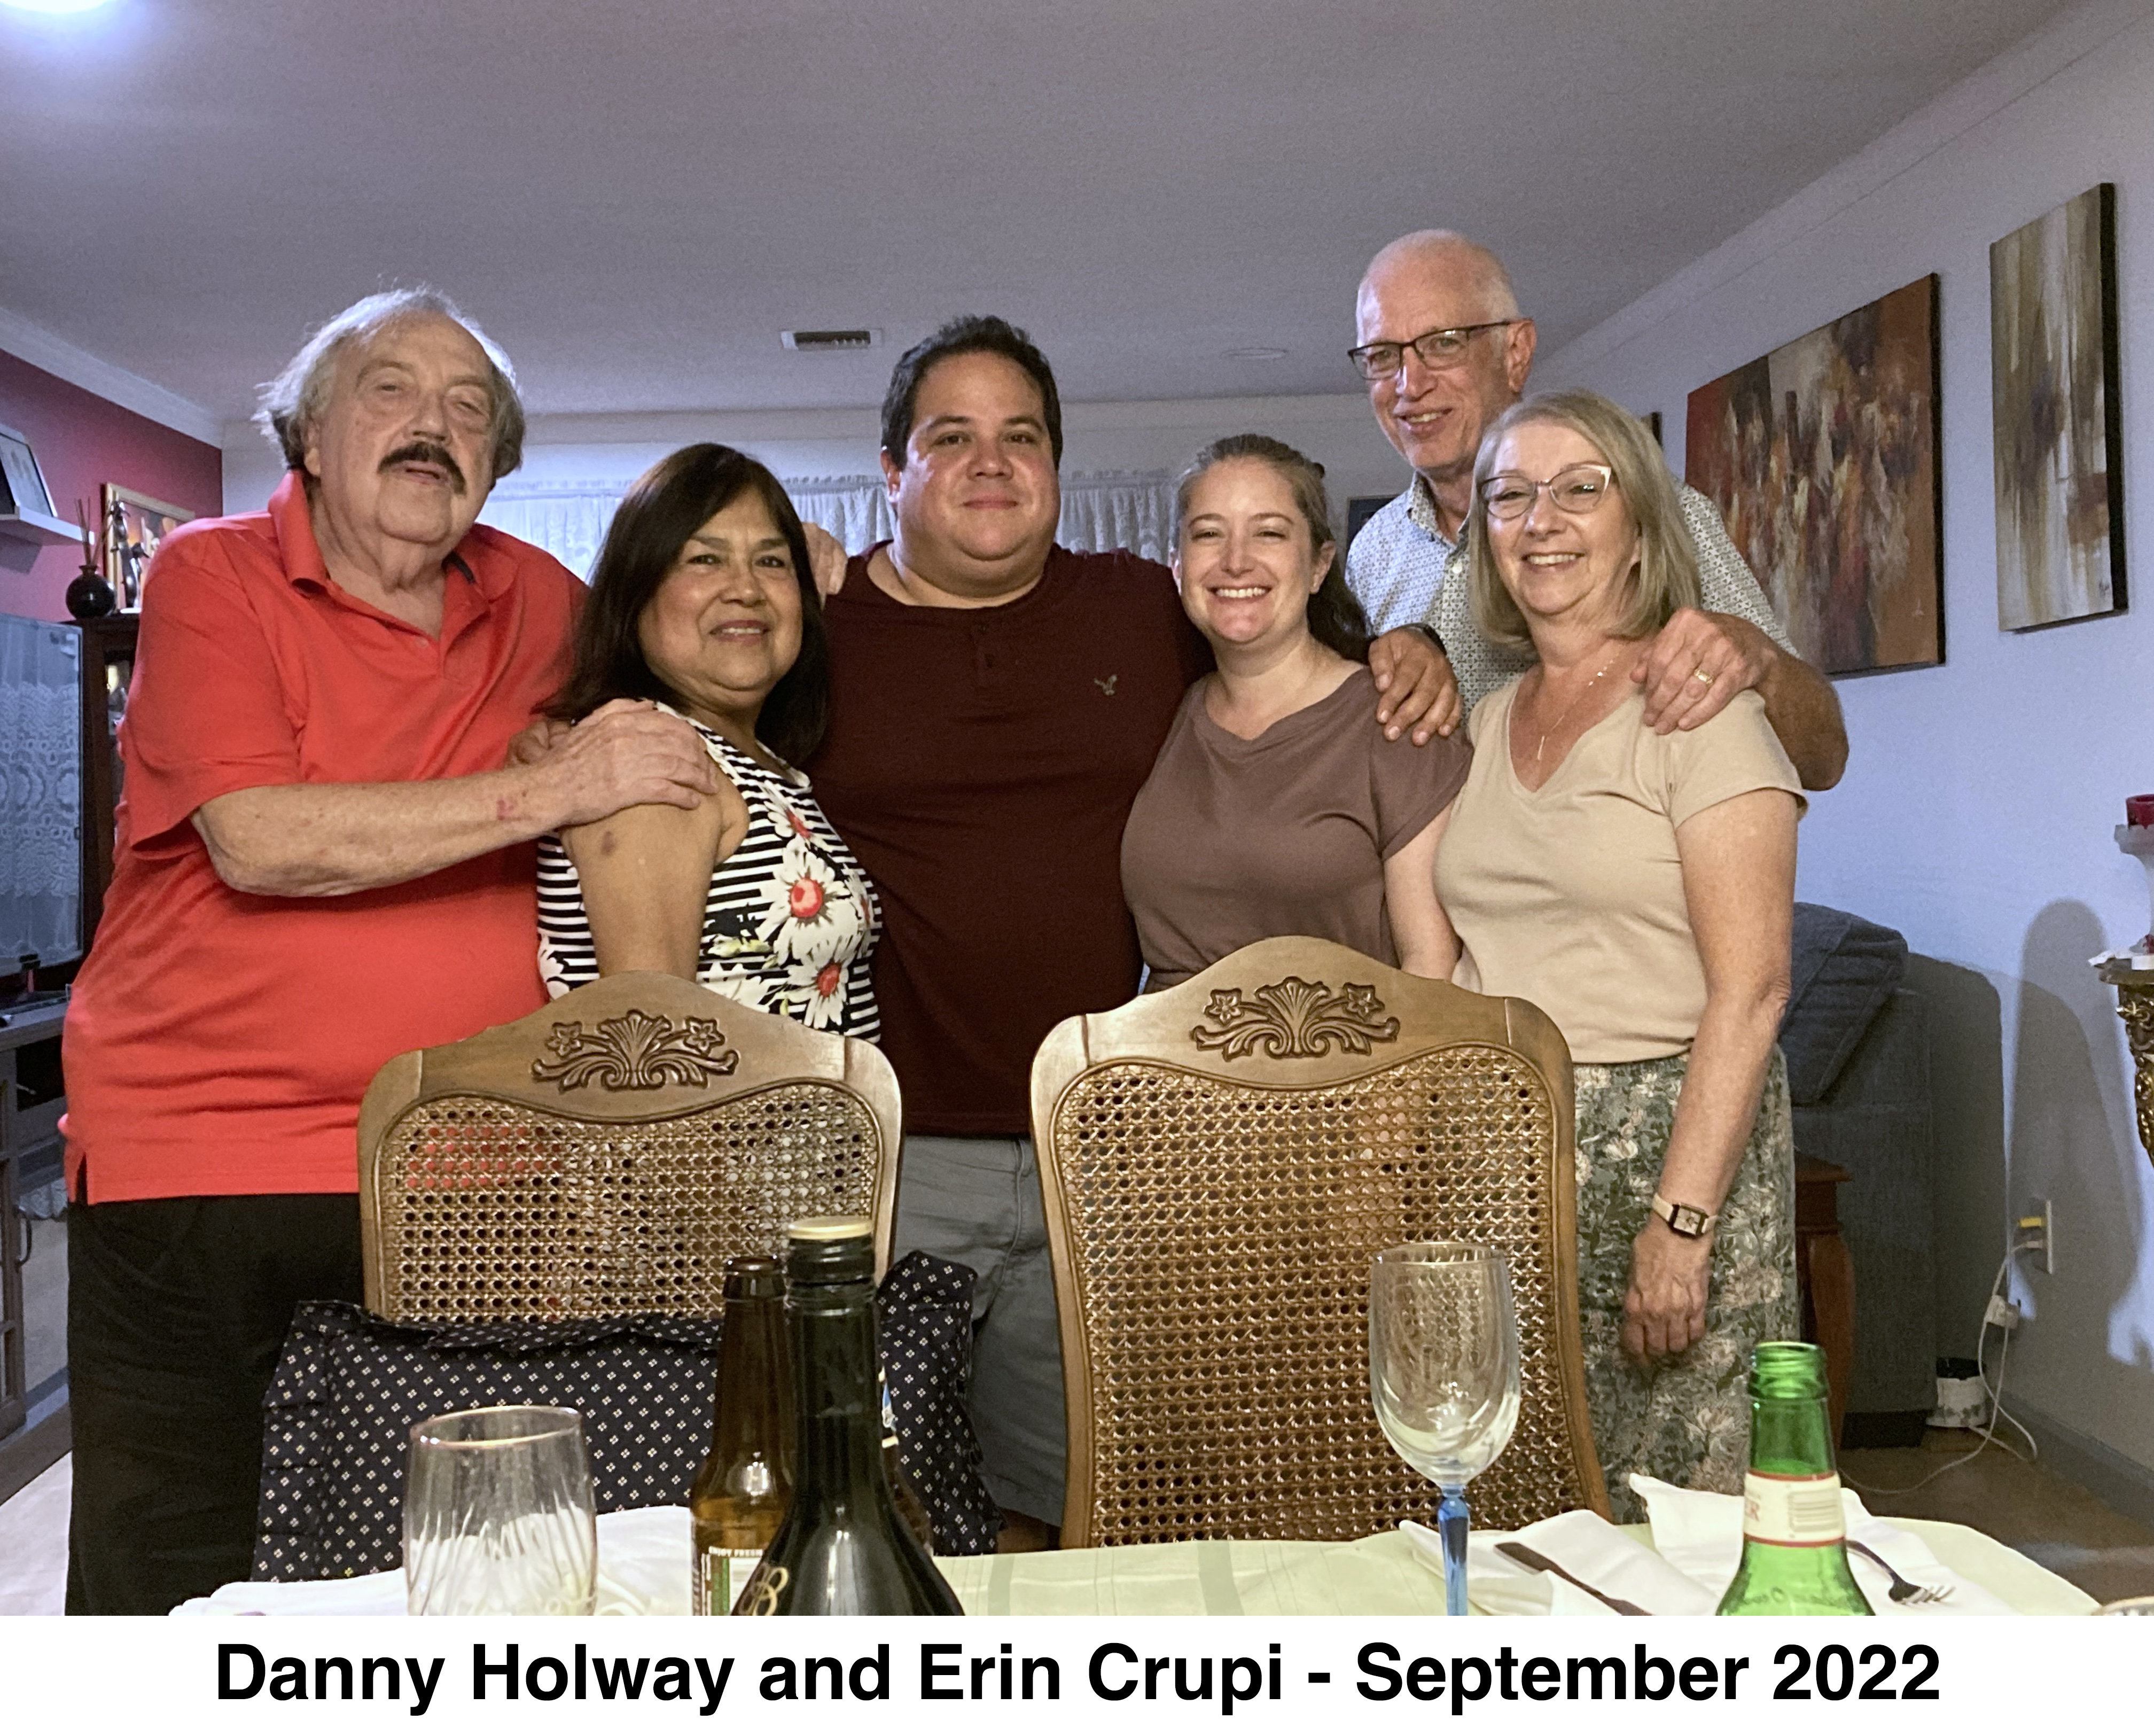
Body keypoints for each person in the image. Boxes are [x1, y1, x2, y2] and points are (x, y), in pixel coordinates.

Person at [59, 288, 715, 1614]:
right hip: (204, 1155)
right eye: (392, 392)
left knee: (452, 1573)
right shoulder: (211, 573)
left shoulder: (539, 600)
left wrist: (811, 563)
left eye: (471, 410)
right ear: (309, 436)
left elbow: (697, 641)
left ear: (497, 467)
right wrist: (546, 789)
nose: (436, 425)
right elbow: (256, 837)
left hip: (465, 1163)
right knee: (172, 1577)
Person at [810, 316, 1457, 1545]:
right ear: (892, 469)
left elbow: (1285, 638)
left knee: (1094, 1507)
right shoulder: (819, 632)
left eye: (1022, 437)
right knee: (880, 1509)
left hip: (1100, 1149)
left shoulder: (1140, 608)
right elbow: (668, 647)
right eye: (952, 439)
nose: (991, 463)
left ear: (1058, 466)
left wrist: (1408, 646)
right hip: (900, 1157)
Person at [1432, 389, 1802, 1519]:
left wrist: (1679, 1228)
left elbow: (1754, 991)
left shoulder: (1700, 708)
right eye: (1511, 496)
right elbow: (1457, 955)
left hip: (1671, 1150)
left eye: (1579, 489)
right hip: (1505, 1157)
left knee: (1679, 1534)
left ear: (1638, 523)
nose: (1542, 520)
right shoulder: (1485, 722)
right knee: (1521, 1524)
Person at [1345, 230, 1849, 791]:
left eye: (1443, 344)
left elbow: (1823, 759)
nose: (1409, 385)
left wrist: (1763, 664)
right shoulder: (1373, 552)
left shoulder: (1651, 513)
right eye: (1382, 356)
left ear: (1516, 353)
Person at [535, 444, 879, 1036]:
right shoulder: (653, 761)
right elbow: (645, 1046)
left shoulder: (764, 763)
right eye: (704, 560)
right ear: (635, 593)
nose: (745, 589)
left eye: (772, 563)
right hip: (719, 1132)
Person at [1122, 434, 1470, 988]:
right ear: (1178, 568)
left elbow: (1433, 974)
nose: (1236, 561)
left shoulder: (1399, 718)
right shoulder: (1165, 708)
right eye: (1209, 534)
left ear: (1318, 566)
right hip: (1169, 1069)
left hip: (1356, 1069)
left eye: (1269, 533)